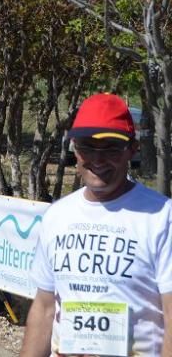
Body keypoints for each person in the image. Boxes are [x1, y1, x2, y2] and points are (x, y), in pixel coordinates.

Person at [20, 93, 172, 357]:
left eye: (111, 148)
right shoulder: (57, 216)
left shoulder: (161, 216)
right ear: (74, 150)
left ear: (132, 150)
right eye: (87, 147)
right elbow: (44, 309)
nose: (98, 160)